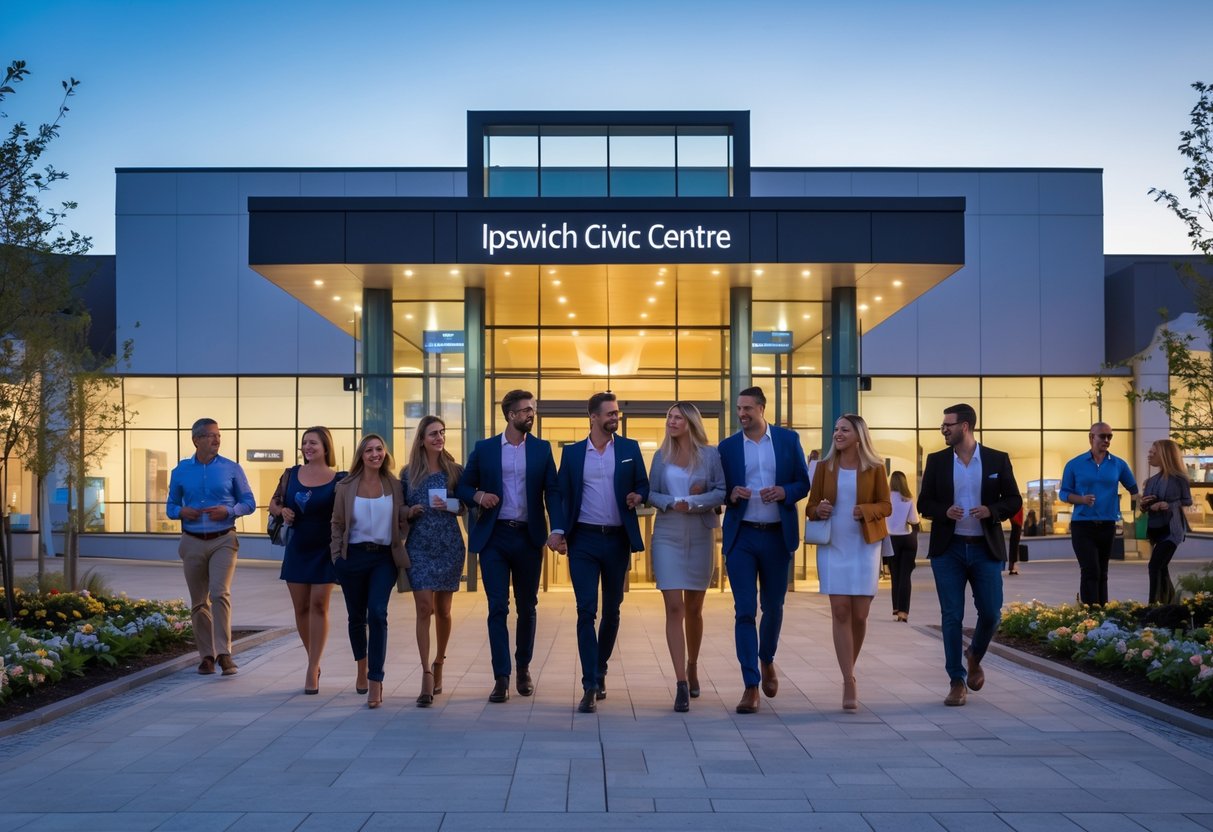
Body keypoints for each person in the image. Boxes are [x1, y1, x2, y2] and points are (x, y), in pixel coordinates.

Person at [458, 390, 566, 703]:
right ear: (510, 415)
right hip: (495, 537)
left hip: (528, 537)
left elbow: (553, 492)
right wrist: (478, 497)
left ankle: (523, 667)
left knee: (527, 606)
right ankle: (501, 677)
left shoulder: (542, 449)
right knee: (497, 607)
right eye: (525, 410)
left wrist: (557, 529)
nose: (531, 414)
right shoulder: (486, 449)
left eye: (532, 409)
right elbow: (465, 486)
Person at [918, 403, 1021, 707]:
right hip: (948, 550)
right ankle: (956, 679)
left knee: (991, 613)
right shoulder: (937, 461)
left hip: (985, 549)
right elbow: (925, 502)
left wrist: (992, 510)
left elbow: (1013, 499)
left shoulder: (996, 460)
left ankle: (974, 655)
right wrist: (943, 511)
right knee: (952, 616)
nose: (943, 429)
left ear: (964, 426)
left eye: (947, 425)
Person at [718, 386, 811, 714]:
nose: (742, 414)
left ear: (761, 408)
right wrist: (731, 494)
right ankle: (750, 685)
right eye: (739, 409)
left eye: (747, 409)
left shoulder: (788, 440)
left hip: (776, 536)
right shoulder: (727, 447)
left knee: (773, 606)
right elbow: (721, 490)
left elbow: (803, 482)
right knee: (744, 609)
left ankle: (767, 658)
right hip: (742, 537)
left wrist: (784, 492)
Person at [555, 392, 649, 714]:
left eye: (617, 413)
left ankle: (601, 667)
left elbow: (644, 485)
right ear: (593, 417)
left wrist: (639, 495)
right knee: (585, 610)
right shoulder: (572, 454)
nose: (615, 418)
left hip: (617, 540)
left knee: (612, 611)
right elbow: (560, 496)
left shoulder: (629, 449)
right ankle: (590, 684)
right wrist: (558, 531)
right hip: (583, 540)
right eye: (609, 414)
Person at [806, 414, 890, 711]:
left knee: (860, 615)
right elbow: (811, 506)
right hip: (833, 545)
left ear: (858, 436)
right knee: (840, 610)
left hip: (864, 546)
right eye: (836, 429)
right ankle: (848, 680)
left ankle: (848, 668)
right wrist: (820, 509)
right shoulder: (824, 467)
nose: (837, 434)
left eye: (844, 430)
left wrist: (865, 510)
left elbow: (886, 505)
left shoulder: (875, 468)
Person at [648, 401, 726, 712]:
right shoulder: (660, 456)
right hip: (667, 533)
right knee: (674, 607)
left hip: (700, 533)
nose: (672, 421)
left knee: (694, 607)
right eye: (669, 416)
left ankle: (693, 663)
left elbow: (721, 491)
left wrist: (693, 502)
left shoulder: (711, 454)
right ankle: (681, 681)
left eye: (678, 417)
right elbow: (650, 493)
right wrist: (672, 502)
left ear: (691, 422)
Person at [166, 418, 255, 677]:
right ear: (196, 440)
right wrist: (181, 511)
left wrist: (228, 510)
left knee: (219, 593)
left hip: (223, 539)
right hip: (192, 541)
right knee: (198, 602)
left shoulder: (231, 468)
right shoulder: (180, 471)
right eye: (210, 435)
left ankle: (225, 654)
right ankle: (206, 656)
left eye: (218, 435)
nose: (216, 439)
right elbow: (170, 506)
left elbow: (249, 502)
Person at [330, 434, 410, 709]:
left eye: (379, 449)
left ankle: (376, 680)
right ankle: (361, 669)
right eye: (369, 450)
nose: (375, 454)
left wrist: (404, 530)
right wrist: (336, 559)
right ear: (361, 456)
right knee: (356, 617)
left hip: (383, 559)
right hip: (352, 558)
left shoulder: (394, 484)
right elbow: (337, 523)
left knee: (377, 612)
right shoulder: (345, 486)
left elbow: (401, 516)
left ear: (385, 453)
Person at [270, 426, 345, 694]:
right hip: (297, 548)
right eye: (304, 443)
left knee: (318, 605)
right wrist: (283, 510)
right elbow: (273, 502)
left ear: (326, 447)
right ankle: (312, 657)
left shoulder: (339, 478)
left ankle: (312, 667)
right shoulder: (291, 475)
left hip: (325, 550)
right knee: (300, 607)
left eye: (313, 442)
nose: (308, 447)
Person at [402, 415, 466, 708]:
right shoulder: (407, 474)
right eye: (433, 434)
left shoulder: (455, 470)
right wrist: (410, 510)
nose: (439, 438)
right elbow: (399, 505)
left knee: (443, 609)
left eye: (442, 432)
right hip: (420, 547)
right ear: (422, 439)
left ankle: (440, 660)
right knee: (424, 608)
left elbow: (465, 505)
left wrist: (449, 504)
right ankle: (426, 673)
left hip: (449, 545)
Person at [1059, 422, 1138, 606]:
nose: (1107, 440)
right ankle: (1089, 612)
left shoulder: (1118, 464)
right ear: (1091, 437)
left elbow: (1133, 489)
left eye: (1110, 436)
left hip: (1108, 524)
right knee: (1090, 569)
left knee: (1102, 571)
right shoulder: (1074, 464)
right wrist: (1081, 499)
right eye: (1102, 436)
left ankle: (1102, 610)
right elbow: (1064, 493)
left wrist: (1145, 501)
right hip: (1082, 525)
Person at [1140, 439, 1193, 605]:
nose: (1149, 456)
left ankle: (1153, 605)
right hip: (1156, 528)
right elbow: (1145, 507)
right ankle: (1169, 604)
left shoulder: (1179, 479)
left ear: (1164, 455)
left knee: (1154, 566)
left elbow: (1187, 501)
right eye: (1149, 452)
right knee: (1161, 568)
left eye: (1153, 453)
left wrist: (1167, 504)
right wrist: (1145, 505)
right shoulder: (1150, 481)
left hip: (1172, 529)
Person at [885, 470, 920, 622]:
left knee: (895, 575)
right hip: (908, 538)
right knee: (906, 576)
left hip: (892, 540)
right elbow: (914, 521)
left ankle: (896, 607)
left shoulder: (885, 500)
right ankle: (903, 612)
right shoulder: (908, 500)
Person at [1006, 507, 1024, 575]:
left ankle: (1012, 566)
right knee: (1014, 548)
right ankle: (1012, 567)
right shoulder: (1018, 507)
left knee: (1014, 547)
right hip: (1017, 527)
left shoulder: (1017, 506)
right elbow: (1015, 518)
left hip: (1016, 526)